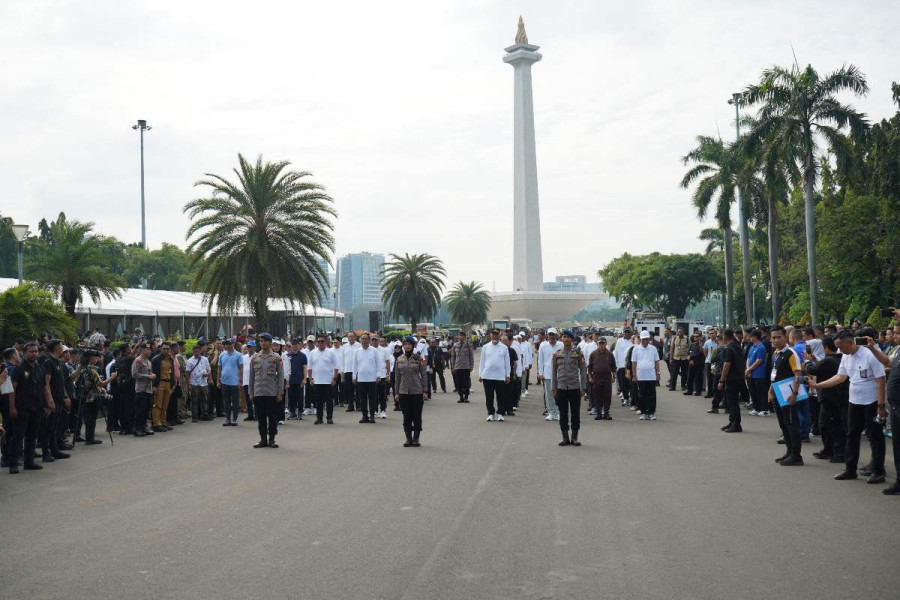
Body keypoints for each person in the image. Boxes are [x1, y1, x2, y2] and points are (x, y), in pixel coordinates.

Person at [808, 330, 887, 484]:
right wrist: (818, 385)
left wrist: (881, 405)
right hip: (854, 401)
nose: (840, 350)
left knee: (875, 436)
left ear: (850, 342)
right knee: (851, 434)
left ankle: (878, 471)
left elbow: (880, 380)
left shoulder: (870, 354)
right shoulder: (845, 356)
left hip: (871, 401)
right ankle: (850, 469)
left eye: (841, 346)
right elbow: (840, 377)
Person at [8, 343, 52, 472]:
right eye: (31, 351)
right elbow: (12, 389)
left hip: (37, 408)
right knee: (18, 436)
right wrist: (12, 408)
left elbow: (45, 388)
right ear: (25, 352)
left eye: (36, 351)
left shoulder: (40, 368)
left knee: (32, 436)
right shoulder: (18, 368)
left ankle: (29, 462)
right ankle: (13, 464)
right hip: (22, 408)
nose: (34, 354)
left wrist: (48, 404)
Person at [806, 335, 847, 463]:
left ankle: (839, 452)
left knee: (833, 425)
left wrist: (807, 361)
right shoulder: (838, 359)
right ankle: (828, 449)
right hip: (835, 396)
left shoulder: (829, 360)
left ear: (826, 347)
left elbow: (812, 370)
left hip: (830, 397)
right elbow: (821, 368)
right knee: (824, 424)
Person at [768, 326, 804, 466]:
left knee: (792, 425)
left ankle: (796, 455)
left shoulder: (791, 353)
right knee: (783, 424)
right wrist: (770, 390)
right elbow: (774, 373)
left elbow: (798, 375)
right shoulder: (775, 353)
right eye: (773, 337)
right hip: (777, 393)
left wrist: (795, 394)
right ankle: (789, 451)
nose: (776, 340)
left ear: (785, 337)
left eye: (778, 337)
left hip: (789, 395)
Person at [248, 333, 285, 449]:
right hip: (258, 391)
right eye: (261, 341)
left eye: (265, 341)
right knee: (261, 417)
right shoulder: (255, 358)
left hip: (271, 392)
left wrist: (280, 392)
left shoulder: (276, 358)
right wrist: (251, 392)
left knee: (272, 417)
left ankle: (272, 439)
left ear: (270, 343)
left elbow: (280, 376)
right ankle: (263, 439)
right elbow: (251, 376)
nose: (262, 343)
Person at [552, 330, 586, 446]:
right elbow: (553, 372)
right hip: (561, 387)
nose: (566, 339)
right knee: (563, 413)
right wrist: (553, 388)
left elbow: (583, 370)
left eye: (568, 337)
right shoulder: (557, 354)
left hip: (574, 387)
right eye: (564, 337)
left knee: (575, 414)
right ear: (562, 339)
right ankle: (565, 437)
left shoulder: (578, 354)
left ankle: (575, 437)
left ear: (572, 339)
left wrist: (584, 387)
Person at [80, 349, 115, 445]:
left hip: (86, 396)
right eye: (95, 357)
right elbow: (101, 384)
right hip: (93, 396)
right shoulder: (92, 370)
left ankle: (89, 437)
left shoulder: (84, 368)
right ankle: (90, 439)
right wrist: (112, 377)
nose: (97, 359)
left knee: (89, 419)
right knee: (91, 419)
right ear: (90, 359)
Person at [479, 329, 511, 422]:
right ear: (491, 336)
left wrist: (507, 375)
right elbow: (482, 361)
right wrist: (481, 374)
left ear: (499, 336)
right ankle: (490, 413)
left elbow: (507, 363)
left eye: (496, 335)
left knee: (501, 396)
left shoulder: (504, 347)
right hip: (487, 375)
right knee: (489, 396)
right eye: (493, 335)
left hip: (500, 376)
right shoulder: (485, 347)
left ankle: (500, 413)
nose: (495, 337)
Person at [717, 329, 744, 433]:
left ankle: (736, 424)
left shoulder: (729, 349)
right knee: (732, 402)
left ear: (725, 337)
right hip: (738, 377)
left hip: (732, 378)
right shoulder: (737, 346)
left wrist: (721, 380)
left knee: (732, 402)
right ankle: (732, 422)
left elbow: (726, 365)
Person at [308, 335, 340, 425]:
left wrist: (334, 379)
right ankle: (319, 418)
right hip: (317, 381)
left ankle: (329, 418)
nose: (320, 343)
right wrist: (310, 379)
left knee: (329, 401)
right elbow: (309, 368)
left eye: (322, 341)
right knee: (318, 401)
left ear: (326, 342)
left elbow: (336, 367)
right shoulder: (313, 353)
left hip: (328, 381)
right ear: (316, 343)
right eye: (319, 342)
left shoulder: (331, 353)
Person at [352, 333, 382, 424]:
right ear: (360, 340)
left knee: (372, 398)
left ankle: (372, 415)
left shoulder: (374, 351)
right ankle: (365, 416)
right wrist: (354, 376)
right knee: (363, 399)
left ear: (369, 340)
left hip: (372, 379)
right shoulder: (357, 351)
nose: (364, 341)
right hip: (361, 379)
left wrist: (378, 375)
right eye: (363, 339)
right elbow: (355, 365)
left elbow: (378, 364)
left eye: (366, 339)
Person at [630, 331, 660, 420]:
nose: (645, 341)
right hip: (641, 376)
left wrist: (658, 373)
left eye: (646, 339)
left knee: (652, 395)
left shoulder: (653, 348)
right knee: (642, 395)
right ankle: (643, 412)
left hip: (651, 376)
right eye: (643, 339)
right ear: (641, 339)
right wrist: (634, 375)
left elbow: (657, 362)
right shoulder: (636, 349)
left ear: (649, 339)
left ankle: (651, 413)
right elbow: (634, 363)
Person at [150, 342, 177, 433]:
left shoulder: (170, 359)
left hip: (168, 383)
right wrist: (154, 385)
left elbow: (172, 371)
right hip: (159, 383)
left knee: (165, 405)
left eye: (167, 349)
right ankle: (156, 424)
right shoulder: (156, 359)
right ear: (161, 349)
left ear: (170, 350)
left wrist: (173, 383)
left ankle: (163, 422)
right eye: (164, 348)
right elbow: (153, 373)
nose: (166, 350)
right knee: (158, 404)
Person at [538, 328, 563, 420]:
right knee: (549, 394)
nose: (551, 336)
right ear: (547, 335)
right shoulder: (543, 345)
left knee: (559, 394)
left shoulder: (561, 345)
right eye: (550, 334)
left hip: (559, 374)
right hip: (547, 374)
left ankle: (559, 412)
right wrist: (540, 373)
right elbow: (540, 360)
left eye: (553, 334)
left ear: (556, 335)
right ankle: (551, 412)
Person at [588, 337, 616, 420]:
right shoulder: (593, 354)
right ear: (598, 344)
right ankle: (599, 413)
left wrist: (613, 376)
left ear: (606, 344)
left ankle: (606, 413)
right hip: (596, 378)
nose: (601, 345)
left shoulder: (610, 354)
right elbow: (590, 367)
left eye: (603, 343)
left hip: (607, 378)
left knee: (607, 396)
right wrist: (590, 377)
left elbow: (613, 366)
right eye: (600, 343)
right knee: (597, 396)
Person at [131, 343, 155, 437]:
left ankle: (143, 426)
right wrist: (148, 376)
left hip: (148, 389)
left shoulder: (148, 361)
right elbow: (134, 374)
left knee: (146, 410)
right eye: (147, 349)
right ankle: (137, 428)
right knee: (140, 410)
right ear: (142, 350)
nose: (149, 351)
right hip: (141, 389)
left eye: (150, 349)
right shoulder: (138, 360)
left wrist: (152, 376)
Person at [744, 330, 770, 417]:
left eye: (751, 336)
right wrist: (748, 369)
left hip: (759, 373)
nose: (750, 338)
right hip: (751, 373)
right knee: (753, 391)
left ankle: (765, 409)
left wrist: (749, 370)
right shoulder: (752, 347)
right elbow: (748, 358)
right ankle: (756, 408)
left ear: (755, 337)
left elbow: (759, 361)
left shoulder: (761, 347)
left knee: (761, 392)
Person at [218, 339, 243, 426]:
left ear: (233, 344)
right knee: (226, 401)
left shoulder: (238, 355)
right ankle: (227, 418)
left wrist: (240, 381)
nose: (227, 346)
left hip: (235, 382)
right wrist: (218, 381)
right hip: (224, 381)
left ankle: (234, 419)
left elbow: (241, 368)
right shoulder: (222, 355)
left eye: (229, 344)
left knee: (235, 402)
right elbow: (219, 368)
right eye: (226, 344)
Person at [186, 343, 212, 422]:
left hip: (204, 383)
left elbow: (208, 369)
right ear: (193, 352)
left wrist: (208, 376)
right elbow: (187, 373)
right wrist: (189, 384)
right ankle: (194, 416)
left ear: (200, 351)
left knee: (204, 399)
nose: (196, 353)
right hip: (194, 383)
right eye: (195, 352)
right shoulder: (190, 361)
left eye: (197, 351)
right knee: (194, 400)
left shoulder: (205, 359)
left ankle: (204, 414)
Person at [450, 333, 474, 403]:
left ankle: (466, 397)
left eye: (462, 336)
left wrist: (471, 366)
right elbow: (453, 356)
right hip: (458, 367)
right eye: (460, 336)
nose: (461, 337)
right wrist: (453, 366)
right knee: (459, 383)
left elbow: (471, 356)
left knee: (466, 383)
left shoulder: (468, 345)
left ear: (465, 337)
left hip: (466, 367)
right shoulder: (455, 345)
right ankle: (461, 397)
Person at [613, 329, 633, 406]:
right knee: (623, 384)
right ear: (623, 333)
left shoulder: (632, 341)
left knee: (631, 384)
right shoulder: (619, 341)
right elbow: (616, 353)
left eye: (628, 332)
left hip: (630, 366)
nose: (627, 333)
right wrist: (617, 365)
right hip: (621, 365)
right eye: (626, 332)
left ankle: (631, 397)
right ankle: (626, 398)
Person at [242, 341, 257, 421]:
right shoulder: (243, 357)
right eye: (248, 347)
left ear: (254, 347)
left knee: (256, 399)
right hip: (245, 380)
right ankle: (250, 415)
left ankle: (257, 415)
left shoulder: (258, 356)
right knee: (248, 399)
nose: (249, 348)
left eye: (251, 347)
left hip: (255, 381)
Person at [703, 329, 718, 398]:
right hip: (709, 362)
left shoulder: (718, 342)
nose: (711, 335)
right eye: (710, 333)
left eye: (713, 333)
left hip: (716, 363)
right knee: (709, 378)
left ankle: (715, 393)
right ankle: (709, 393)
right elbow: (705, 352)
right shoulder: (707, 342)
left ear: (716, 334)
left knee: (715, 378)